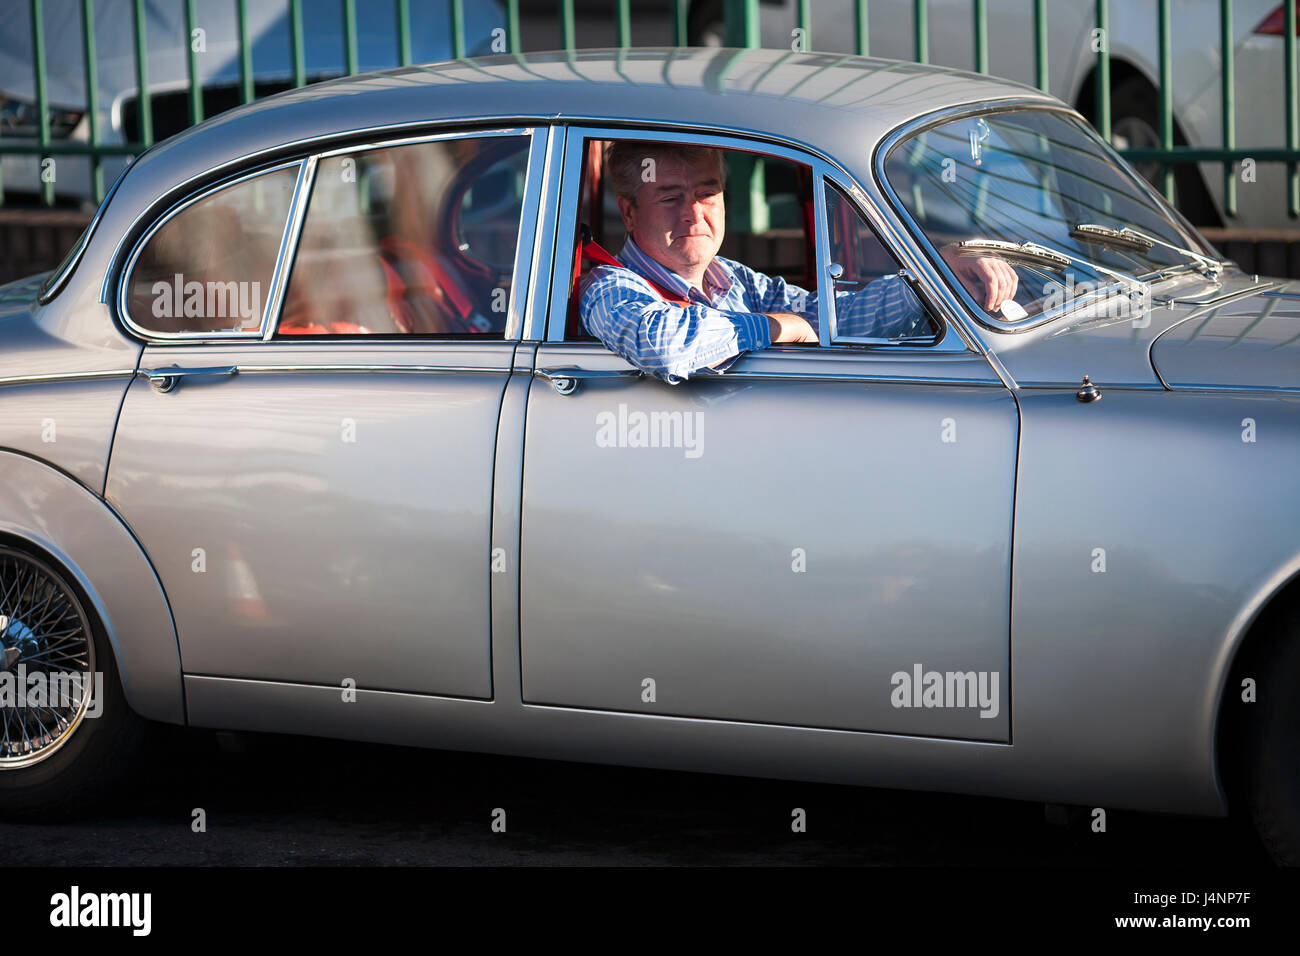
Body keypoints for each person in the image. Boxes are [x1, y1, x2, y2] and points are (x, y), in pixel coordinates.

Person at [579, 141, 1018, 383]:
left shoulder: (731, 278)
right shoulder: (610, 286)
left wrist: (936, 275)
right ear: (630, 211)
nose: (694, 213)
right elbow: (662, 345)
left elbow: (830, 315)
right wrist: (774, 326)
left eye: (708, 194)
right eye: (671, 197)